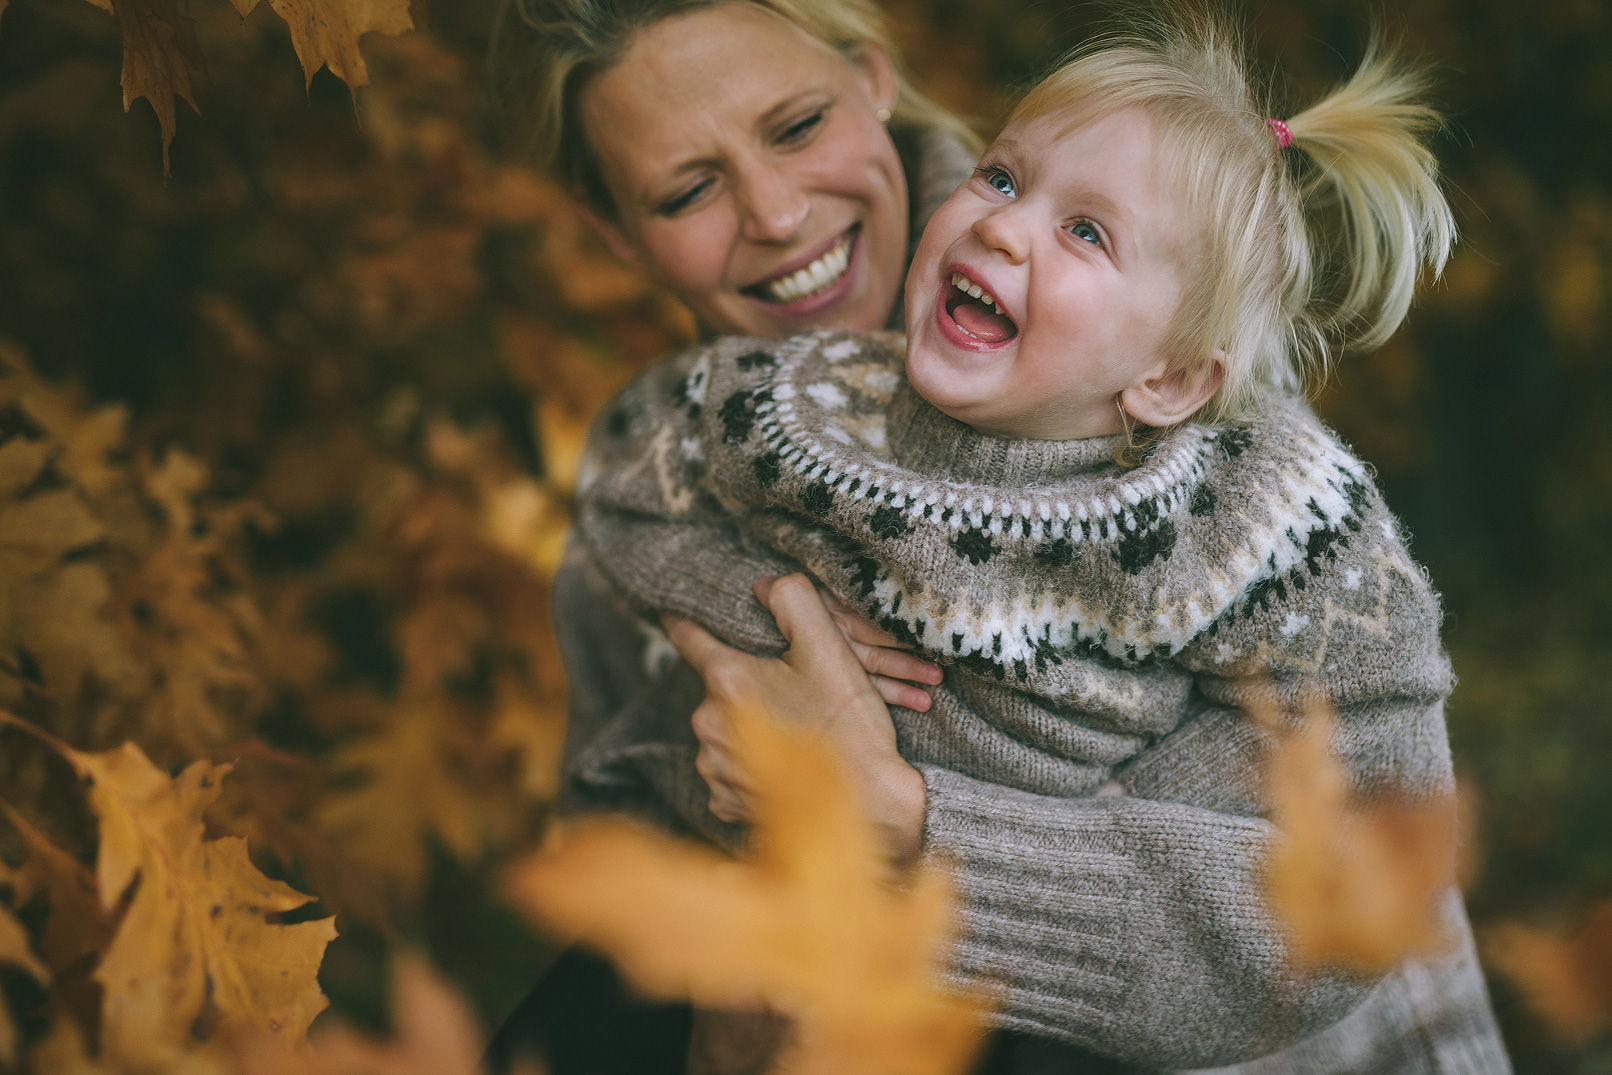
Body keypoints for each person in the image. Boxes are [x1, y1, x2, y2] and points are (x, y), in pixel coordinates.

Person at [567, 7, 1514, 1072]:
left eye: (1085, 233)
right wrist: (754, 609)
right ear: (614, 227)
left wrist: (912, 820)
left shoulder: (1233, 497)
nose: (1003, 227)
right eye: (1003, 181)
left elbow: (1358, 853)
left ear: (1168, 380)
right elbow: (629, 484)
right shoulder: (801, 401)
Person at [483, 0, 977, 1070]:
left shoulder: (1121, 311)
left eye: (795, 126)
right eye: (688, 189)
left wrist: (888, 815)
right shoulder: (640, 480)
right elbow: (613, 867)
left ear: (874, 78)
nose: (777, 211)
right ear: (616, 229)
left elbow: (1312, 904)